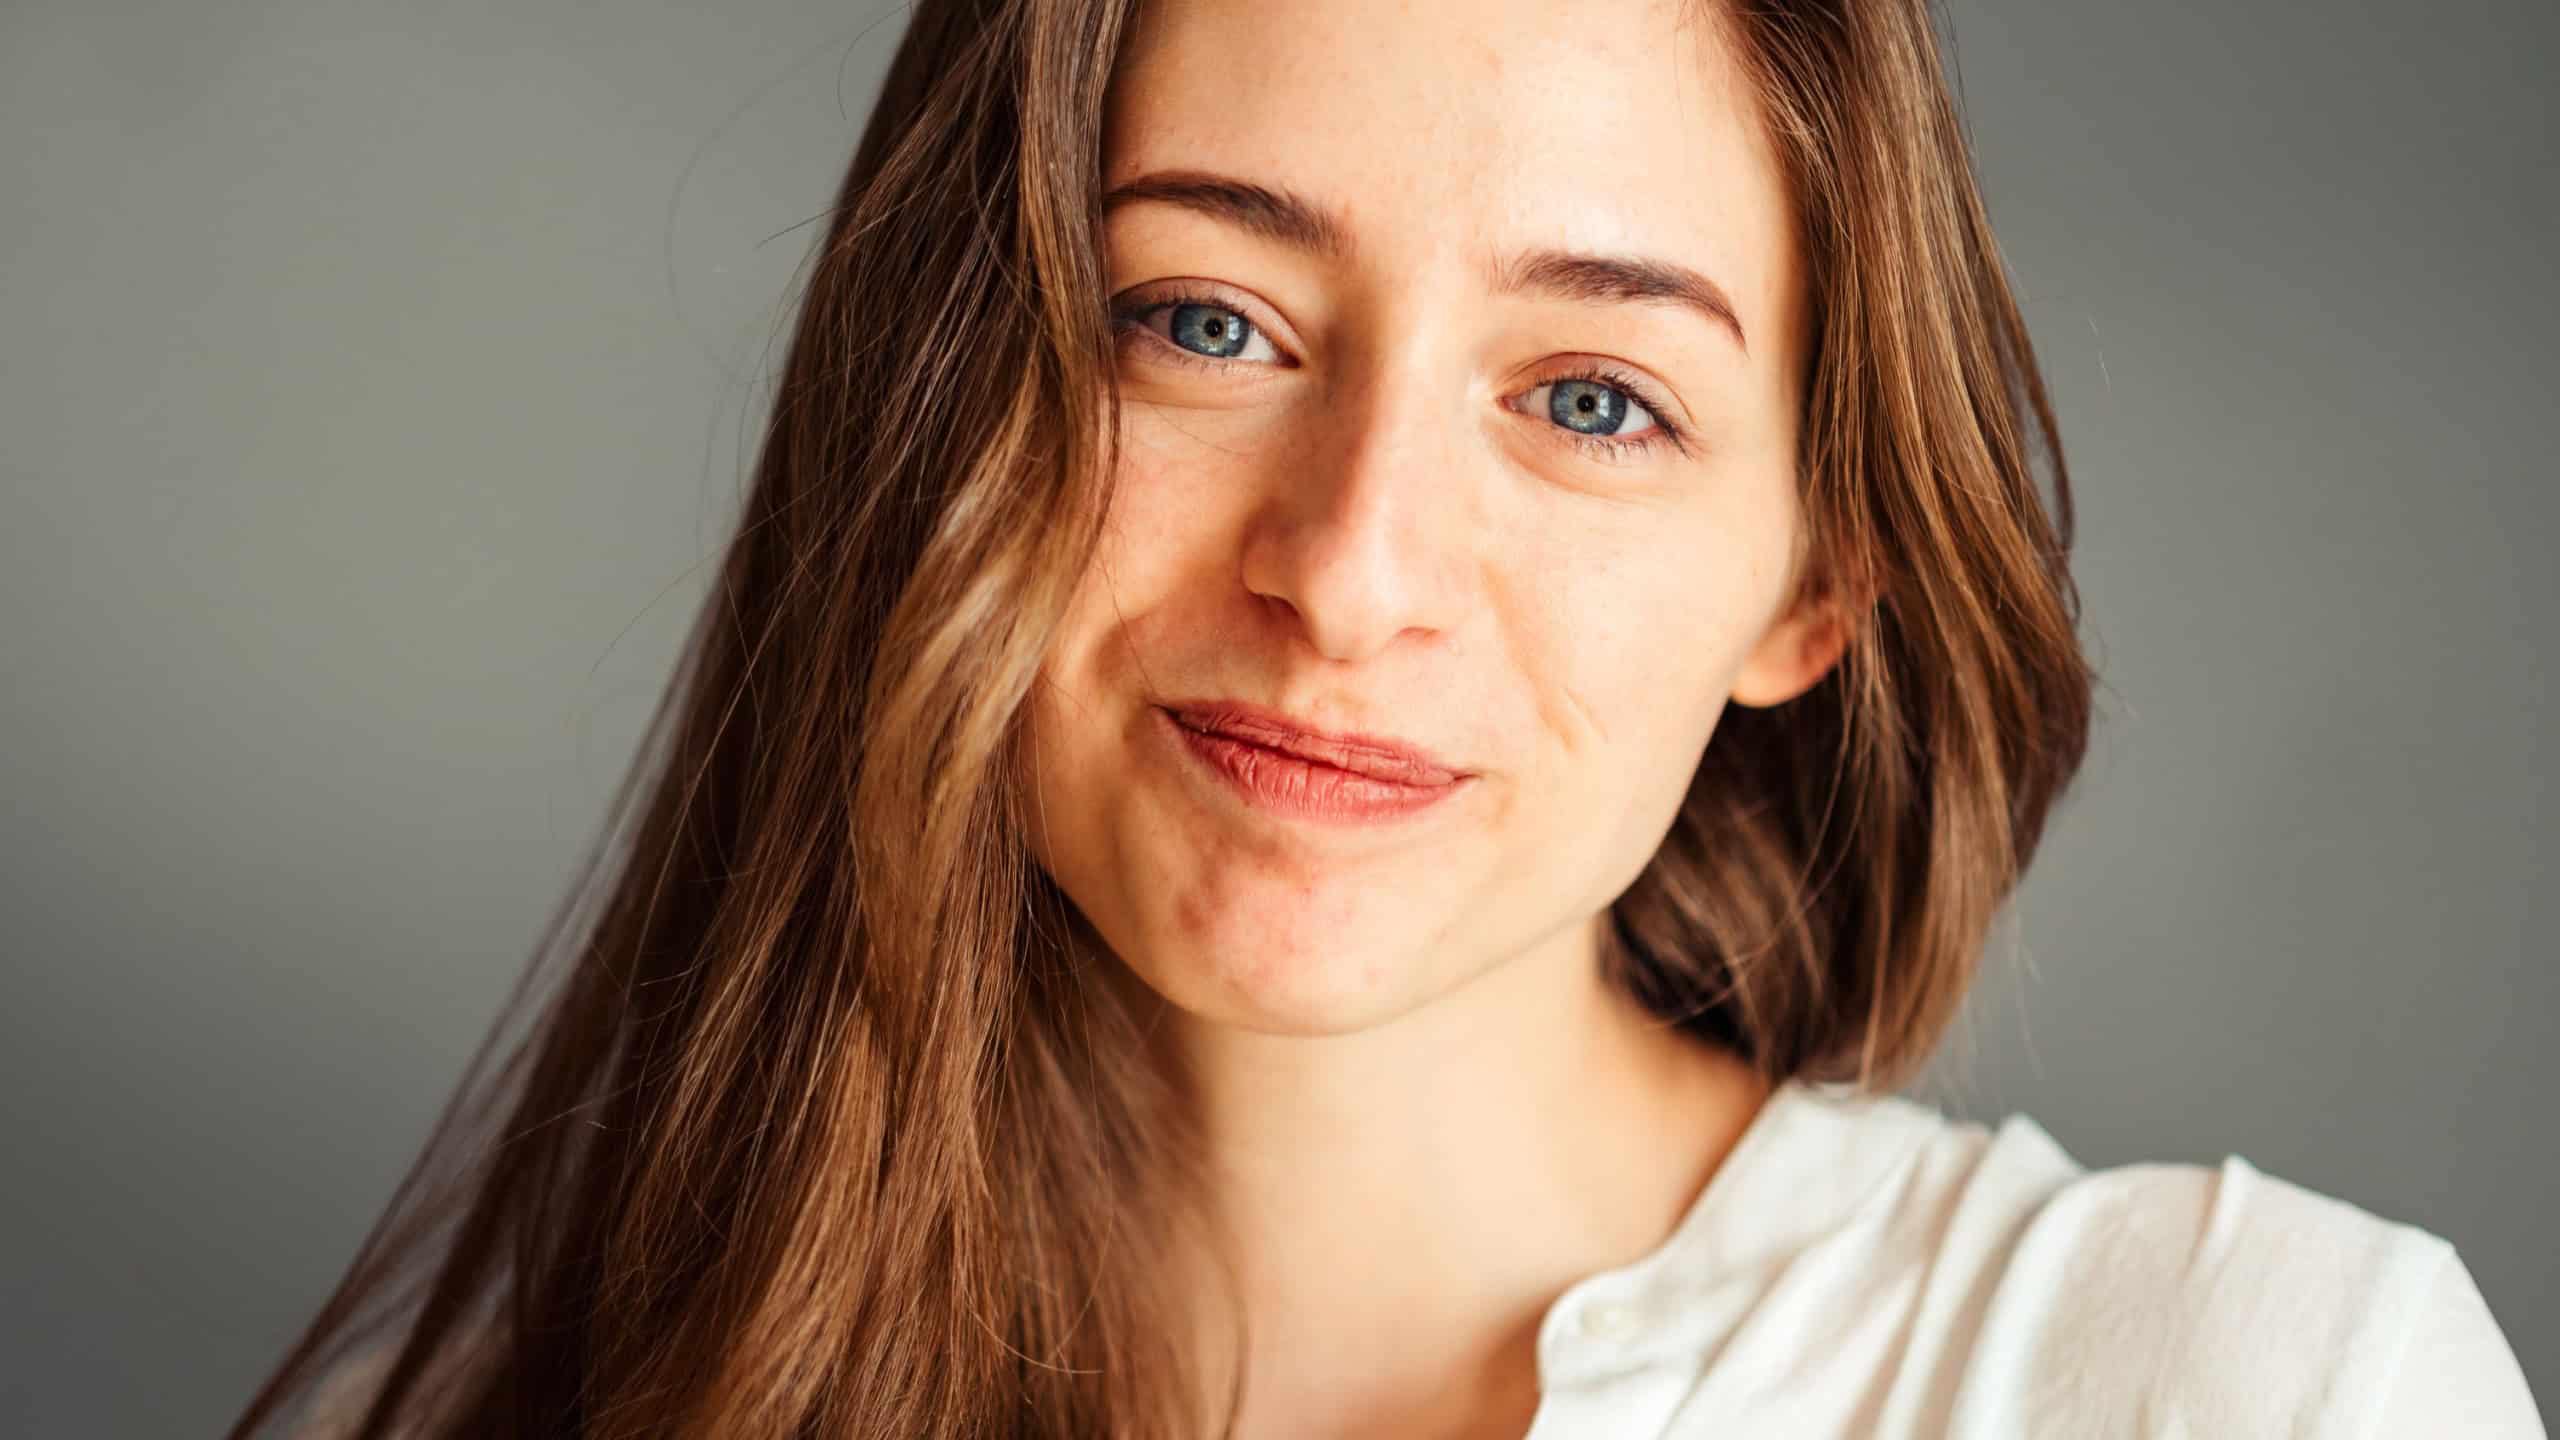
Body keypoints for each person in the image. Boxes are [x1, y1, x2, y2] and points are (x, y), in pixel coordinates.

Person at [230, 0, 2547, 1436]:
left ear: (1814, 576)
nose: (1344, 574)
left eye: (1590, 398)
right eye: (1205, 325)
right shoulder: (505, 1417)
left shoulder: (2235, 1393)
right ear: (934, 410)